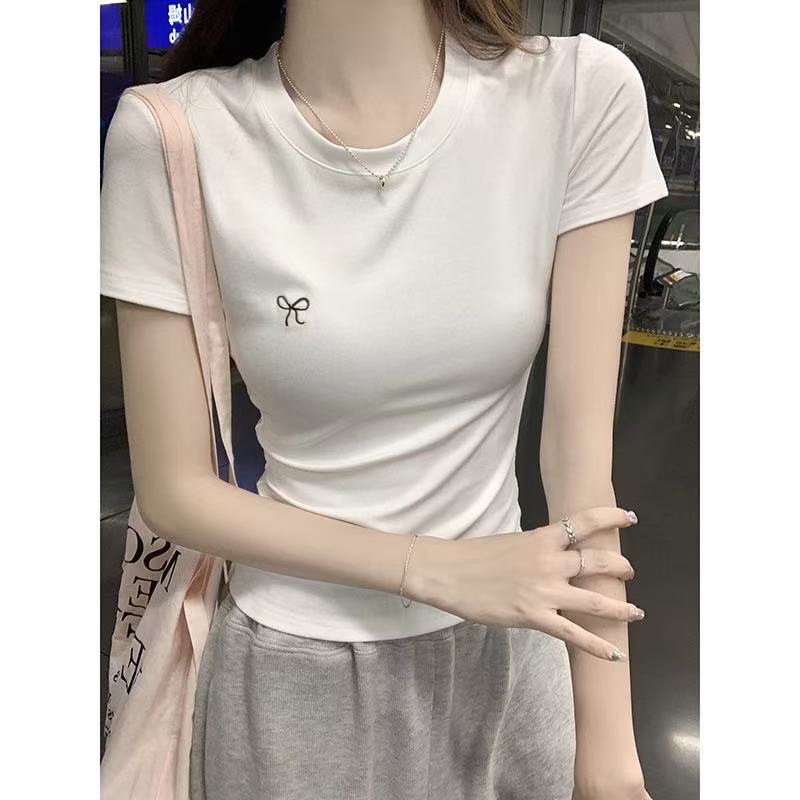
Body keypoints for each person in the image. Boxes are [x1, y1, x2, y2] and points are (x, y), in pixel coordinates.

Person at [100, 1, 668, 798]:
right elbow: (173, 491)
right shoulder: (174, 132)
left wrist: (610, 757)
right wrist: (429, 568)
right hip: (297, 674)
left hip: (513, 646)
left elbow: (580, 468)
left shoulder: (578, 93)